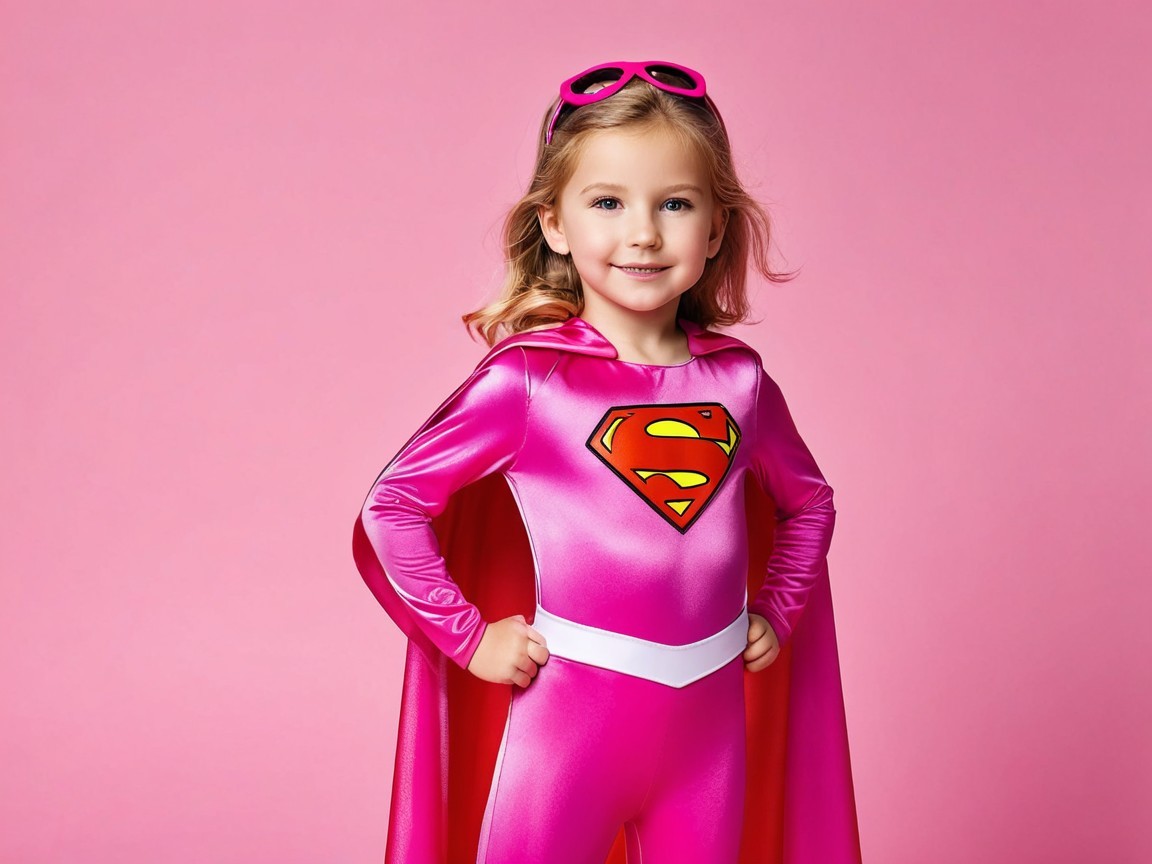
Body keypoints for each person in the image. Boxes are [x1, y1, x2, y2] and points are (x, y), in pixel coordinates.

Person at [353, 60, 862, 864]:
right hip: (566, 729)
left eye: (676, 203)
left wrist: (779, 609)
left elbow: (810, 503)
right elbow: (392, 506)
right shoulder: (530, 381)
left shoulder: (739, 383)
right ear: (554, 223)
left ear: (717, 227)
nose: (644, 234)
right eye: (608, 202)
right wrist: (469, 637)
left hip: (708, 736)